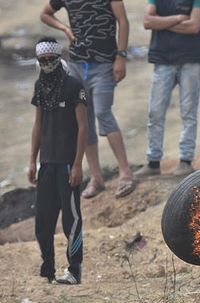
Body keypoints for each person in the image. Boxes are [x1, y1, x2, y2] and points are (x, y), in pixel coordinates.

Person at [41, 0, 137, 199]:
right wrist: (65, 28)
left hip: (104, 65)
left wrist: (121, 56)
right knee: (82, 119)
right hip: (76, 65)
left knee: (103, 112)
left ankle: (126, 172)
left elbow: (123, 21)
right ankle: (96, 178)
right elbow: (45, 14)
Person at [28, 37, 87, 284]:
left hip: (66, 163)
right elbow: (38, 124)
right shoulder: (40, 86)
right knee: (43, 220)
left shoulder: (74, 86)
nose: (47, 64)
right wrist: (32, 161)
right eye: (42, 61)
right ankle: (48, 269)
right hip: (47, 163)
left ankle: (74, 270)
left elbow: (83, 127)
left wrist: (77, 164)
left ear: (58, 57)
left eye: (51, 59)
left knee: (71, 219)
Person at [134, 0, 200, 178]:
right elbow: (147, 22)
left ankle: (185, 160)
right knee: (155, 113)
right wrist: (177, 19)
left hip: (190, 58)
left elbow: (193, 27)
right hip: (163, 59)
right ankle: (153, 162)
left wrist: (162, 23)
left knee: (188, 112)